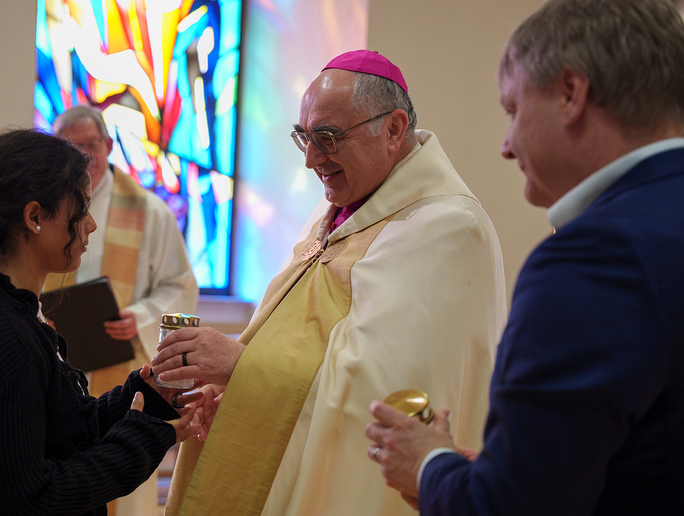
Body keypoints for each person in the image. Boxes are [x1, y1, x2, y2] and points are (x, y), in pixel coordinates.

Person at [152, 50, 507, 516]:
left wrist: (243, 367)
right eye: (305, 137)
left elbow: (384, 394)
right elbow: (297, 339)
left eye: (328, 137)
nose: (311, 160)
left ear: (393, 129)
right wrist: (232, 392)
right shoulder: (333, 212)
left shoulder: (447, 228)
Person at [365, 1, 684, 514]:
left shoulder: (594, 257)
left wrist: (430, 466)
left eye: (513, 110)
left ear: (570, 93)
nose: (507, 146)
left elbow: (511, 507)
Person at [0, 129, 201, 515]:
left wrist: (142, 395)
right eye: (81, 209)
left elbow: (59, 430)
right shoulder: (4, 336)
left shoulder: (5, 311)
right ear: (35, 217)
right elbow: (32, 499)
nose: (91, 224)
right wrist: (141, 441)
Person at [48, 105, 198, 379]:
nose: (84, 156)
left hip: (119, 361)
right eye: (72, 147)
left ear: (108, 145)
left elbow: (180, 286)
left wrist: (141, 317)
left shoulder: (151, 212)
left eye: (91, 145)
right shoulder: (44, 209)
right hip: (53, 356)